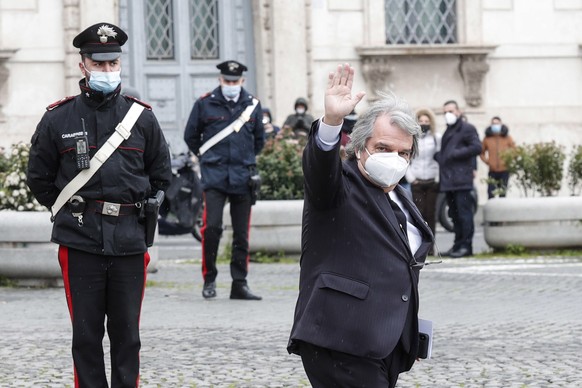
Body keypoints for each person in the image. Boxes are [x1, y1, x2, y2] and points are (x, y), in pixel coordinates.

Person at [26, 22, 172, 386]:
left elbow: (161, 175)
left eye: (112, 64)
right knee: (86, 338)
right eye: (98, 63)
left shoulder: (142, 118)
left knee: (128, 339)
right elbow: (39, 179)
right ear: (83, 66)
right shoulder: (58, 118)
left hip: (128, 240)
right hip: (80, 241)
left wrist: (143, 209)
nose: (107, 71)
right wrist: (74, 208)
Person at [287, 64, 434, 387]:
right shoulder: (338, 186)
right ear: (360, 145)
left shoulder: (399, 196)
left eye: (403, 152)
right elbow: (319, 166)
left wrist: (409, 328)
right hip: (340, 339)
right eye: (383, 148)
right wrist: (331, 122)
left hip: (385, 342)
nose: (394, 158)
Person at [184, 60, 265, 300]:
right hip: (215, 176)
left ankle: (239, 283)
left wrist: (244, 158)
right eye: (227, 81)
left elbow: (259, 141)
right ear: (220, 80)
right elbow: (191, 136)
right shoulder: (204, 103)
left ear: (242, 81)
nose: (231, 85)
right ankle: (209, 280)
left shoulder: (252, 105)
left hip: (243, 176)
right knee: (212, 228)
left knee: (241, 234)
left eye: (235, 81)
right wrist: (209, 157)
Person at [434, 100, 482, 258]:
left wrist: (455, 153)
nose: (448, 114)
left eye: (451, 111)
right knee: (454, 215)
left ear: (458, 111)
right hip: (449, 181)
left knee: (464, 214)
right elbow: (446, 152)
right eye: (445, 111)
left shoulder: (467, 128)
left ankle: (466, 246)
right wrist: (440, 156)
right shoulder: (449, 130)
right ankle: (457, 244)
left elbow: (477, 147)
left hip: (461, 180)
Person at [406, 108, 441, 237]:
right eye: (421, 121)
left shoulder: (437, 138)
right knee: (418, 214)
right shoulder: (411, 137)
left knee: (431, 214)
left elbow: (440, 158)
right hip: (417, 181)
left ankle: (431, 247)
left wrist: (437, 178)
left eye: (426, 121)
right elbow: (406, 158)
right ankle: (420, 244)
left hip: (432, 181)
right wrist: (411, 178)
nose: (423, 123)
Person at [480, 116, 516, 198]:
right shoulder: (487, 139)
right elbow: (481, 152)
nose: (495, 125)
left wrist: (508, 160)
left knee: (502, 192)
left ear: (501, 124)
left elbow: (514, 150)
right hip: (492, 170)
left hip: (504, 170)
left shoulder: (507, 138)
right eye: (493, 124)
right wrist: (488, 161)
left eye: (497, 123)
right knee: (491, 192)